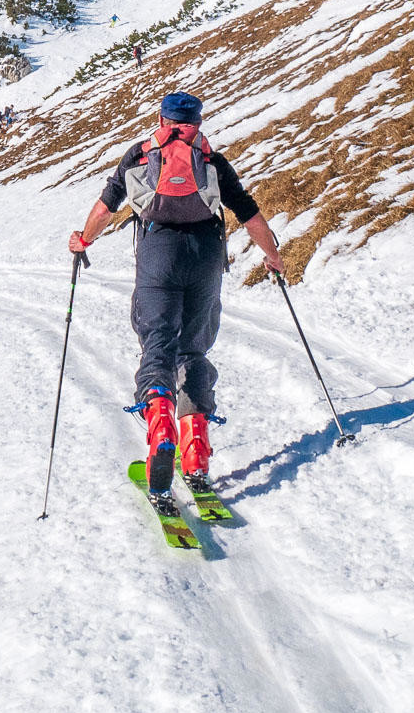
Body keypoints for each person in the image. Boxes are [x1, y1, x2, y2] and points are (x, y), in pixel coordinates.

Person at [66, 91, 284, 507]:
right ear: (198, 121)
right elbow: (249, 213)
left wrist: (83, 240)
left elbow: (106, 206)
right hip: (205, 257)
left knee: (158, 346)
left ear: (161, 119)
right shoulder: (212, 161)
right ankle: (196, 453)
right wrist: (272, 256)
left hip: (158, 255)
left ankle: (162, 431)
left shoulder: (141, 154)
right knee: (194, 350)